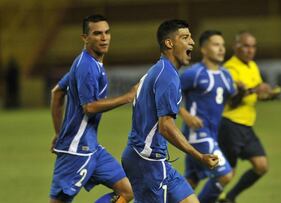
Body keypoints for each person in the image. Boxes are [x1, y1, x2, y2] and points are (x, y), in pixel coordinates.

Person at [121, 19, 219, 203]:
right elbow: (165, 126)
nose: (192, 42)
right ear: (169, 43)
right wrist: (199, 156)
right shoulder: (167, 75)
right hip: (147, 161)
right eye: (185, 37)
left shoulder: (159, 70)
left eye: (190, 37)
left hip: (154, 159)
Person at [49, 14, 136, 203]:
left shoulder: (87, 63)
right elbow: (89, 107)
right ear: (85, 38)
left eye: (107, 32)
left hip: (92, 147)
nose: (104, 38)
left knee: (127, 190)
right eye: (97, 33)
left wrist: (59, 133)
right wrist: (127, 97)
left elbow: (57, 92)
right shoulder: (86, 66)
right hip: (76, 150)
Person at [217, 31, 281, 203]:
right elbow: (232, 101)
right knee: (226, 174)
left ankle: (230, 197)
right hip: (229, 124)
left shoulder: (252, 65)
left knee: (261, 166)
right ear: (236, 47)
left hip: (245, 126)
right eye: (246, 46)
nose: (250, 50)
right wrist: (254, 90)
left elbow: (256, 94)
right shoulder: (230, 69)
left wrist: (268, 94)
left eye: (253, 46)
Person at [178, 30, 235, 203]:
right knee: (225, 175)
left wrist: (253, 92)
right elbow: (169, 94)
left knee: (190, 183)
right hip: (198, 134)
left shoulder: (226, 76)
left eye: (223, 45)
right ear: (203, 49)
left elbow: (231, 100)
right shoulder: (193, 73)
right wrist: (185, 114)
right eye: (216, 44)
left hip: (212, 134)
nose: (221, 49)